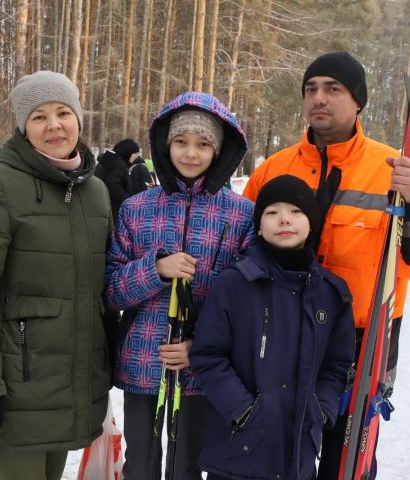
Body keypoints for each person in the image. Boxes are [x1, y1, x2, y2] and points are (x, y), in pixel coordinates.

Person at [242, 51, 410, 479]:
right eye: (311, 89)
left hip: (364, 338)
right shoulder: (274, 169)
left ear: (358, 101)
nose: (319, 98)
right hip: (281, 329)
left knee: (349, 457)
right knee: (278, 450)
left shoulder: (394, 171)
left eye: (332, 89)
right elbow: (241, 251)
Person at [0, 70, 114, 480]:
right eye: (39, 116)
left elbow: (103, 287)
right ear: (23, 126)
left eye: (63, 112)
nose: (54, 125)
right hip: (16, 384)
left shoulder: (96, 191)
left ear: (79, 118)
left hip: (72, 383)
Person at [104, 91, 255, 480]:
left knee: (188, 465)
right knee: (142, 464)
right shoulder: (136, 208)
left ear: (219, 151)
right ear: (164, 144)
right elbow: (112, 289)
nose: (191, 153)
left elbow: (247, 301)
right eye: (181, 142)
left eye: (204, 144)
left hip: (204, 367)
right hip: (144, 362)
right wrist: (155, 269)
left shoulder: (240, 215)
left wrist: (200, 346)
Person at [190, 175, 355, 480]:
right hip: (237, 450)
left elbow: (338, 364)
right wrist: (243, 411)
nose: (284, 220)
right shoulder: (235, 283)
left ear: (312, 222)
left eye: (296, 211)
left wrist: (321, 409)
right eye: (271, 212)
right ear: (259, 225)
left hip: (298, 454)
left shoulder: (332, 294)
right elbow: (207, 356)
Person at [95, 138, 140, 222]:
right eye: (135, 153)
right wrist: (127, 202)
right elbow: (113, 186)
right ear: (128, 152)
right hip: (114, 211)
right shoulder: (118, 164)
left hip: (104, 209)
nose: (136, 156)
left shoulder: (110, 161)